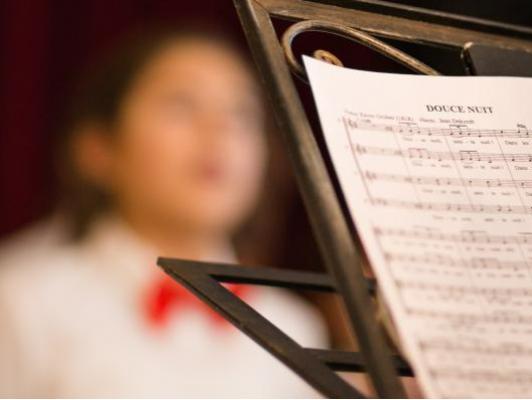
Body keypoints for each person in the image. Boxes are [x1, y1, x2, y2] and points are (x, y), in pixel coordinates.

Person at [0, 28, 328, 397]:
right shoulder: (22, 302)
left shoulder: (295, 327)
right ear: (98, 149)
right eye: (181, 105)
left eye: (241, 113)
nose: (219, 131)